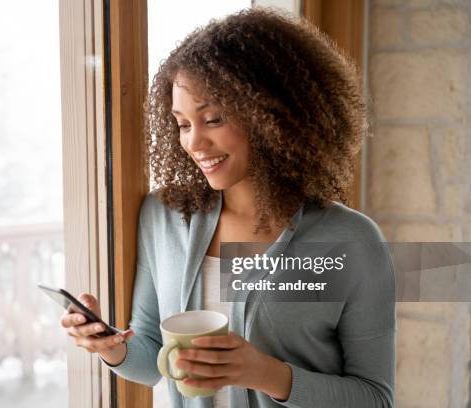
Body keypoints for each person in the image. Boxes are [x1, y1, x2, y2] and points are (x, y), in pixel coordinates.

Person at [60, 7, 395, 408]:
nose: (194, 143)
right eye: (183, 124)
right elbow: (153, 361)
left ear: (271, 113)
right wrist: (109, 346)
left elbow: (375, 398)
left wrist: (263, 372)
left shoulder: (350, 240)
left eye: (213, 119)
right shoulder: (163, 217)